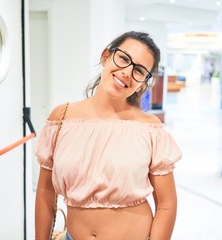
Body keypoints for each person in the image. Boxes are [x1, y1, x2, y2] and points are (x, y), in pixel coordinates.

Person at [34, 31, 182, 240]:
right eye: (123, 58)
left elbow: (167, 203)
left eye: (139, 70)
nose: (127, 72)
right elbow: (46, 191)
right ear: (106, 56)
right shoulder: (62, 118)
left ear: (143, 82)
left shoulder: (149, 129)